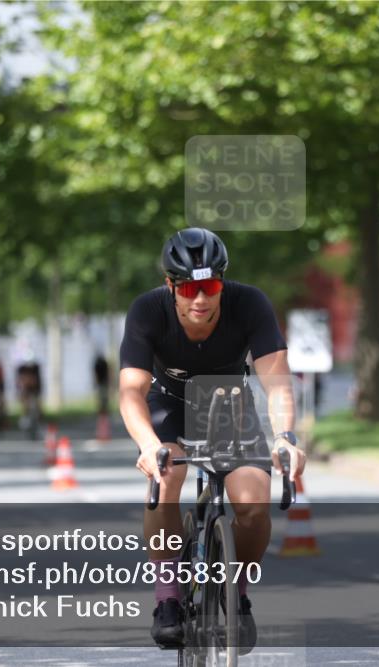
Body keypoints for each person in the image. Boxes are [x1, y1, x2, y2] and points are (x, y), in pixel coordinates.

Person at [119, 227, 306, 652]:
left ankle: (236, 595)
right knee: (166, 482)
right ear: (171, 286)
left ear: (223, 280)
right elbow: (130, 391)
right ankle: (167, 599)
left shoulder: (250, 303)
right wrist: (150, 445)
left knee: (254, 503)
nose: (200, 299)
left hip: (228, 405)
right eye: (187, 288)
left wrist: (286, 438)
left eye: (210, 286)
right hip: (169, 404)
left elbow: (277, 383)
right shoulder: (147, 310)